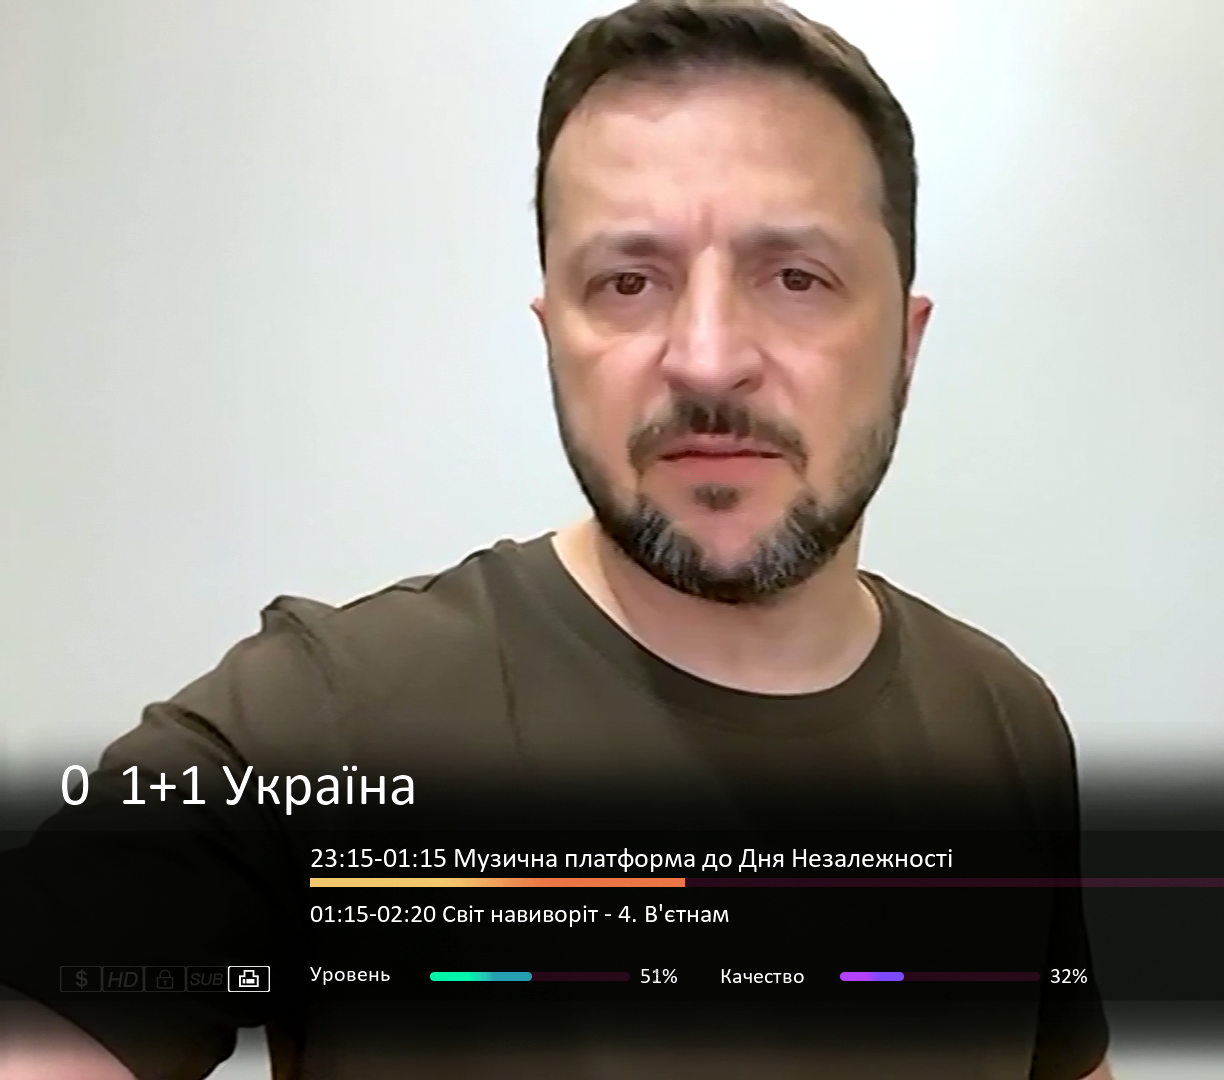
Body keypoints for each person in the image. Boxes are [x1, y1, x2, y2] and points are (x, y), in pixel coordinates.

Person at [0, 1, 1113, 1077]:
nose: (708, 358)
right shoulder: (320, 726)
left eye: (795, 278)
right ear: (554, 334)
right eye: (628, 281)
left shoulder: (1006, 728)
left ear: (906, 342)